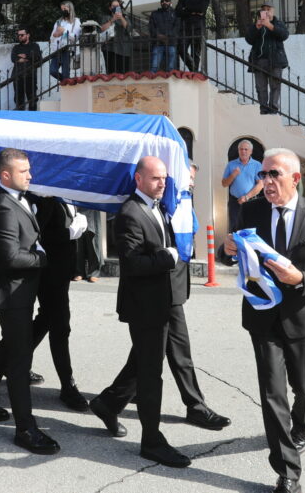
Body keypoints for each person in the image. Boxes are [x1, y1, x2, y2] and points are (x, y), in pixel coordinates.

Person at [91, 156, 230, 469]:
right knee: (150, 372)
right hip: (146, 305)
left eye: (164, 178)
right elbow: (132, 264)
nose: (162, 183)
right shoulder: (130, 213)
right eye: (156, 178)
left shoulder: (158, 206)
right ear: (139, 179)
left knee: (165, 355)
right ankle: (151, 441)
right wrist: (166, 258)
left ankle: (109, 403)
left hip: (167, 297)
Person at [223, 148, 305, 493]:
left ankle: (304, 423)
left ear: (295, 178)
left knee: (303, 387)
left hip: (304, 317)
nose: (267, 181)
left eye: (274, 174)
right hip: (262, 317)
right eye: (263, 175)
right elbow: (233, 251)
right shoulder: (251, 210)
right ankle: (288, 471)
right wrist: (226, 251)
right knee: (272, 393)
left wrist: (300, 278)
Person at [0, 149, 59, 455]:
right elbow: (10, 257)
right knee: (19, 361)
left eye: (29, 170)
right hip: (12, 293)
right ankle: (25, 429)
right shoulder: (4, 206)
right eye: (23, 171)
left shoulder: (20, 198)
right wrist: (42, 258)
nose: (30, 175)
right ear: (5, 175)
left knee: (9, 345)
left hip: (21, 290)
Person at [27, 195, 90, 410]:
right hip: (49, 274)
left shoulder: (67, 196)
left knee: (46, 320)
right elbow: (38, 233)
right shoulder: (46, 197)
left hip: (62, 272)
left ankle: (12, 362)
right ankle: (67, 386)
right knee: (60, 326)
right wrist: (70, 232)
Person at [245, 3, 290, 115]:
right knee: (260, 87)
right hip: (259, 60)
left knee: (275, 85)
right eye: (263, 10)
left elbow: (284, 35)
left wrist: (270, 26)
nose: (266, 12)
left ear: (273, 11)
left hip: (275, 60)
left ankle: (273, 109)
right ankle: (263, 109)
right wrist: (256, 28)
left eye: (268, 9)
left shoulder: (278, 23)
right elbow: (249, 39)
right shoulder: (257, 24)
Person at [222, 140, 262, 233]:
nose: (243, 151)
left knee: (251, 228)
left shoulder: (257, 165)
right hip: (235, 203)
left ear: (251, 151)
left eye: (246, 149)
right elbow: (224, 184)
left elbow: (260, 184)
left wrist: (246, 197)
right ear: (238, 151)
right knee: (235, 228)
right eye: (241, 149)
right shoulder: (231, 164)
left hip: (251, 201)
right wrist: (233, 175)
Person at [174, 0, 209, 71]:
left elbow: (201, 9)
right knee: (180, 49)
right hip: (185, 28)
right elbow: (177, 12)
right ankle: (194, 70)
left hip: (198, 28)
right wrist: (193, 11)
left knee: (195, 53)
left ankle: (194, 73)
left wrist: (186, 9)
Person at [11, 27, 42, 110]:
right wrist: (29, 57)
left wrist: (25, 56)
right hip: (17, 76)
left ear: (28, 35)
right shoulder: (16, 47)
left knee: (32, 100)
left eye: (22, 35)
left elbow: (38, 59)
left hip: (30, 76)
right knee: (18, 100)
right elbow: (13, 59)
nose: (20, 37)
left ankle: (32, 117)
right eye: (18, 35)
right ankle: (21, 117)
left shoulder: (34, 46)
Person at [49, 0, 80, 82]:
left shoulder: (76, 21)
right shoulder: (58, 22)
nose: (63, 11)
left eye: (65, 9)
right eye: (62, 9)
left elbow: (75, 37)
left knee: (65, 73)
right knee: (52, 71)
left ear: (70, 9)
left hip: (67, 50)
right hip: (57, 50)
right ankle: (66, 81)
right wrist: (55, 35)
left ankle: (66, 82)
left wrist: (64, 31)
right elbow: (52, 37)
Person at [98, 0, 132, 74]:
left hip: (123, 49)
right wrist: (112, 20)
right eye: (114, 6)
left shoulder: (125, 17)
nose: (116, 8)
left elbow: (129, 29)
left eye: (117, 6)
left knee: (124, 73)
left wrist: (121, 17)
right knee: (111, 73)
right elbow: (101, 29)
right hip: (110, 49)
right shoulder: (106, 17)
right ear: (110, 8)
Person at [148, 0, 178, 72]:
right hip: (158, 43)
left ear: (170, 2)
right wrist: (159, 36)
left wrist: (167, 36)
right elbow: (151, 27)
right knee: (154, 67)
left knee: (171, 68)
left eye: (166, 0)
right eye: (162, 1)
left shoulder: (175, 13)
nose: (164, 2)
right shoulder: (155, 14)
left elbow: (177, 27)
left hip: (171, 43)